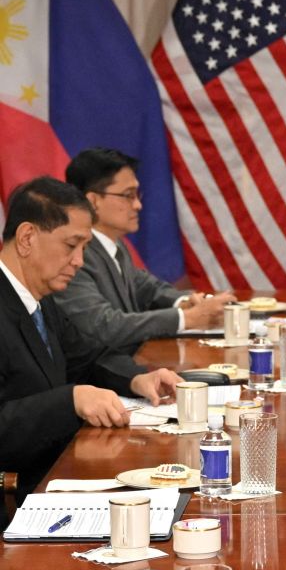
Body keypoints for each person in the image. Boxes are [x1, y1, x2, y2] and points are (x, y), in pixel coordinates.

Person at [0, 177, 182, 498]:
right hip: (19, 494)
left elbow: (88, 357)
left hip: (61, 473)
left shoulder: (42, 299)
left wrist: (139, 378)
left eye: (84, 248)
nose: (79, 261)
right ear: (27, 237)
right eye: (71, 246)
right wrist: (70, 400)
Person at [58, 148, 233, 354]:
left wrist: (186, 302)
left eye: (137, 195)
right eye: (128, 196)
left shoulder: (114, 245)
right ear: (93, 201)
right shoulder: (75, 255)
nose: (138, 205)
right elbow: (104, 324)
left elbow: (147, 288)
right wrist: (188, 318)